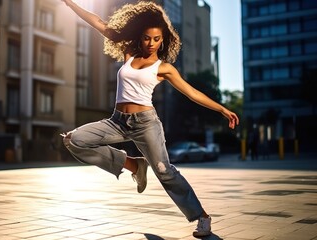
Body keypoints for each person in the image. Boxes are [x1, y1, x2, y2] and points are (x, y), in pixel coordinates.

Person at [60, 0, 239, 237]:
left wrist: (221, 109)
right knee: (74, 140)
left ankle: (202, 217)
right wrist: (70, 4)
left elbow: (192, 92)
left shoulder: (164, 68)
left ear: (163, 39)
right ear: (139, 36)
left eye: (157, 39)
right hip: (117, 121)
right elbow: (98, 23)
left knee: (165, 170)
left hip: (146, 124)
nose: (151, 43)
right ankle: (133, 164)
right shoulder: (128, 52)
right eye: (147, 38)